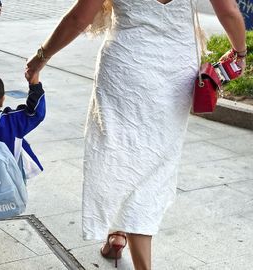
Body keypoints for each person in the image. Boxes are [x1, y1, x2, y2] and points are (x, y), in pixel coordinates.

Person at [25, 0, 246, 269]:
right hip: (174, 73)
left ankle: (127, 245)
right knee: (154, 165)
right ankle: (118, 233)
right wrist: (240, 53)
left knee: (119, 153)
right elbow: (229, 11)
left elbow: (78, 18)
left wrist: (42, 57)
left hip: (125, 68)